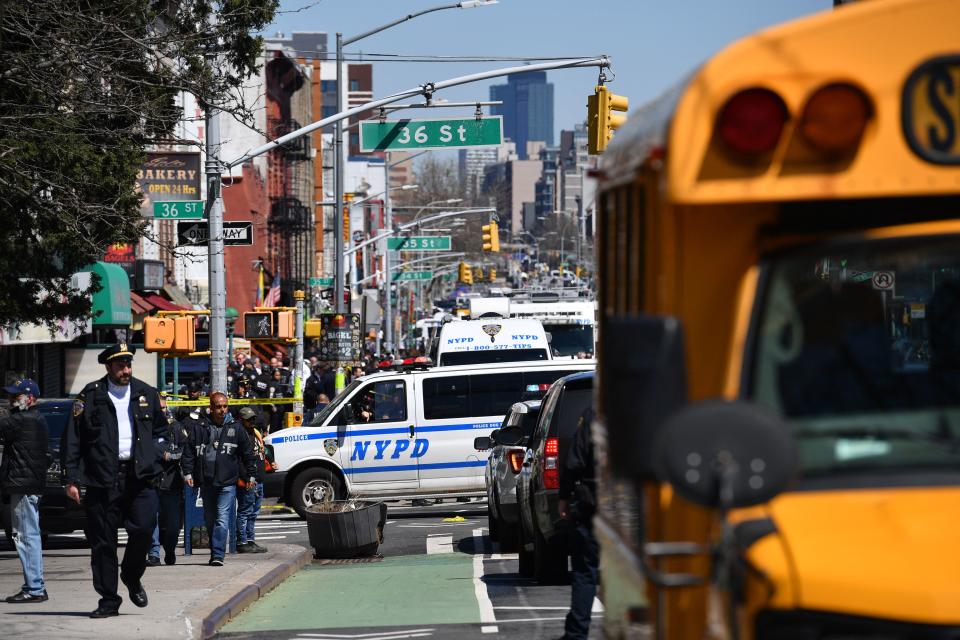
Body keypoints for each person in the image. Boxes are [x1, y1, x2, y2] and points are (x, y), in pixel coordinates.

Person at [61, 343, 166, 618]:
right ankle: (109, 600)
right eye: (120, 366)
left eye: (128, 364)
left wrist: (155, 456)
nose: (126, 370)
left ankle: (131, 575)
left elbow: (162, 431)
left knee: (144, 530)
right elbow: (73, 439)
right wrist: (70, 478)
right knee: (103, 543)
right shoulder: (90, 396)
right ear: (108, 367)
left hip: (140, 477)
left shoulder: (146, 393)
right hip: (102, 480)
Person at [182, 392, 256, 566]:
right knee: (209, 518)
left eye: (225, 406)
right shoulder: (199, 427)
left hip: (227, 482)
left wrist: (251, 475)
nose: (222, 410)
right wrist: (188, 473)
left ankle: (218, 554)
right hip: (206, 481)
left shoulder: (236, 428)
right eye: (218, 406)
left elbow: (247, 454)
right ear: (211, 407)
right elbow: (189, 452)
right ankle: (215, 549)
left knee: (222, 518)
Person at [0, 378, 49, 603]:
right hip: (28, 484)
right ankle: (36, 585)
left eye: (15, 396)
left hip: (23, 484)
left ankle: (34, 588)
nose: (10, 401)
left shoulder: (22, 419)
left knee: (25, 537)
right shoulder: (37, 418)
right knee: (30, 535)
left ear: (30, 398)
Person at [557, 407, 598, 640]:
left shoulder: (596, 415)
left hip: (594, 502)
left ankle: (577, 633)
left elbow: (574, 462)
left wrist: (564, 497)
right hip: (636, 504)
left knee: (585, 571)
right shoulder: (647, 408)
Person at [147, 395, 189, 566]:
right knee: (151, 521)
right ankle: (154, 554)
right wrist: (159, 454)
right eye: (159, 408)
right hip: (152, 481)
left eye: (164, 408)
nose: (162, 411)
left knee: (172, 525)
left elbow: (186, 449)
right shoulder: (146, 427)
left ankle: (170, 550)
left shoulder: (176, 428)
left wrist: (172, 456)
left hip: (172, 483)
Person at [235, 407, 267, 554]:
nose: (252, 422)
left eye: (253, 419)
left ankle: (250, 540)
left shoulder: (254, 433)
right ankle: (242, 541)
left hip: (258, 479)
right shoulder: (240, 436)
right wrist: (246, 477)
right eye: (249, 420)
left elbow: (262, 451)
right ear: (241, 420)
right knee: (245, 511)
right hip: (248, 480)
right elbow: (240, 461)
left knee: (253, 512)